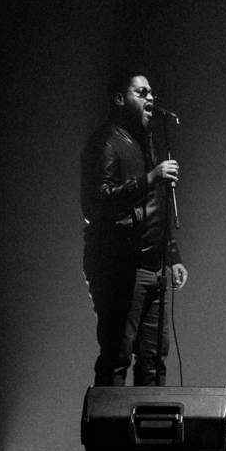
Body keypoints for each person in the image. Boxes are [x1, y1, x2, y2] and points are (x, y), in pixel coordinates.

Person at [80, 70, 188, 387]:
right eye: (141, 92)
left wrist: (172, 256)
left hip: (152, 266)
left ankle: (150, 420)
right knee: (116, 357)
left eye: (151, 92)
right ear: (119, 98)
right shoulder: (105, 142)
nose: (150, 98)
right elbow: (96, 203)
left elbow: (157, 206)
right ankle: (108, 420)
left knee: (153, 361)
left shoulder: (145, 144)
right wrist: (148, 179)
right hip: (119, 266)